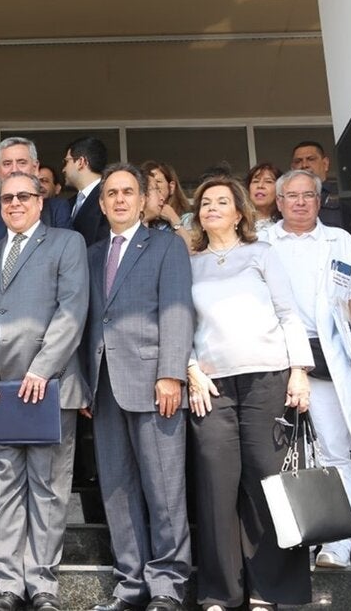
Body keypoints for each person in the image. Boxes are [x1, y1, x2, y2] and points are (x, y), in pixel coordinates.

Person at [185, 176, 313, 611]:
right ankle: (220, 594)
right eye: (205, 202)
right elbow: (180, 322)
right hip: (212, 388)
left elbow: (288, 314)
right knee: (216, 487)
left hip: (268, 380)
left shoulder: (262, 254)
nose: (212, 208)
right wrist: (190, 370)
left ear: (239, 212)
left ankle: (270, 592)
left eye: (222, 202)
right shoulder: (190, 263)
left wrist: (299, 372)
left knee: (267, 483)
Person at [0, 171, 88, 611]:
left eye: (23, 196)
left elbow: (72, 309)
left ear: (41, 201)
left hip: (48, 386)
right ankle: (7, 586)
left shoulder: (66, 243)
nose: (14, 203)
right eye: (7, 198)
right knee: (6, 492)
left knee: (49, 490)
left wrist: (42, 368)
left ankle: (42, 585)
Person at [83, 165, 194, 611]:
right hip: (104, 386)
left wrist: (171, 373)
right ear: (101, 202)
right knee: (117, 489)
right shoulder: (91, 254)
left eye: (128, 192)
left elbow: (178, 309)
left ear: (144, 199)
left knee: (164, 488)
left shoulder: (166, 246)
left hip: (154, 383)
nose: (119, 200)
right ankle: (130, 584)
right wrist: (85, 384)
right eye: (111, 193)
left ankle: (167, 585)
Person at [260, 169, 351, 570]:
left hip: (329, 357)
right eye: (292, 196)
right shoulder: (261, 241)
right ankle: (291, 548)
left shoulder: (340, 241)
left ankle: (337, 546)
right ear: (279, 202)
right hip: (275, 357)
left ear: (319, 200)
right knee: (278, 456)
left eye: (308, 195)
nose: (300, 202)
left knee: (334, 452)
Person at [0, 137, 72, 248]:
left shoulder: (56, 209)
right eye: (7, 163)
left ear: (35, 168)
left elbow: (67, 250)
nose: (14, 170)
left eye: (22, 163)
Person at [63, 135, 110, 245]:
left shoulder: (108, 197)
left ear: (81, 162)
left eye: (66, 162)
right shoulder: (68, 204)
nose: (63, 169)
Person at [290, 141, 342, 228]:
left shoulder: (341, 194)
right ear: (292, 168)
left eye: (311, 159)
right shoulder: (285, 199)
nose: (304, 165)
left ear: (325, 163)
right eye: (298, 161)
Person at [246, 162, 282, 232]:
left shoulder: (287, 224)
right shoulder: (237, 223)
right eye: (255, 181)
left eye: (268, 181)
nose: (260, 185)